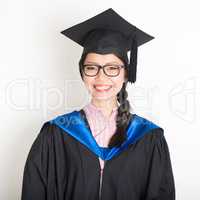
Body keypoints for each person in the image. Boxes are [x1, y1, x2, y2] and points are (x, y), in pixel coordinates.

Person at [21, 8, 175, 200]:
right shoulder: (56, 134)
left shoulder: (149, 138)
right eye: (92, 68)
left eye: (112, 68)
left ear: (126, 73)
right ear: (82, 72)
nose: (101, 77)